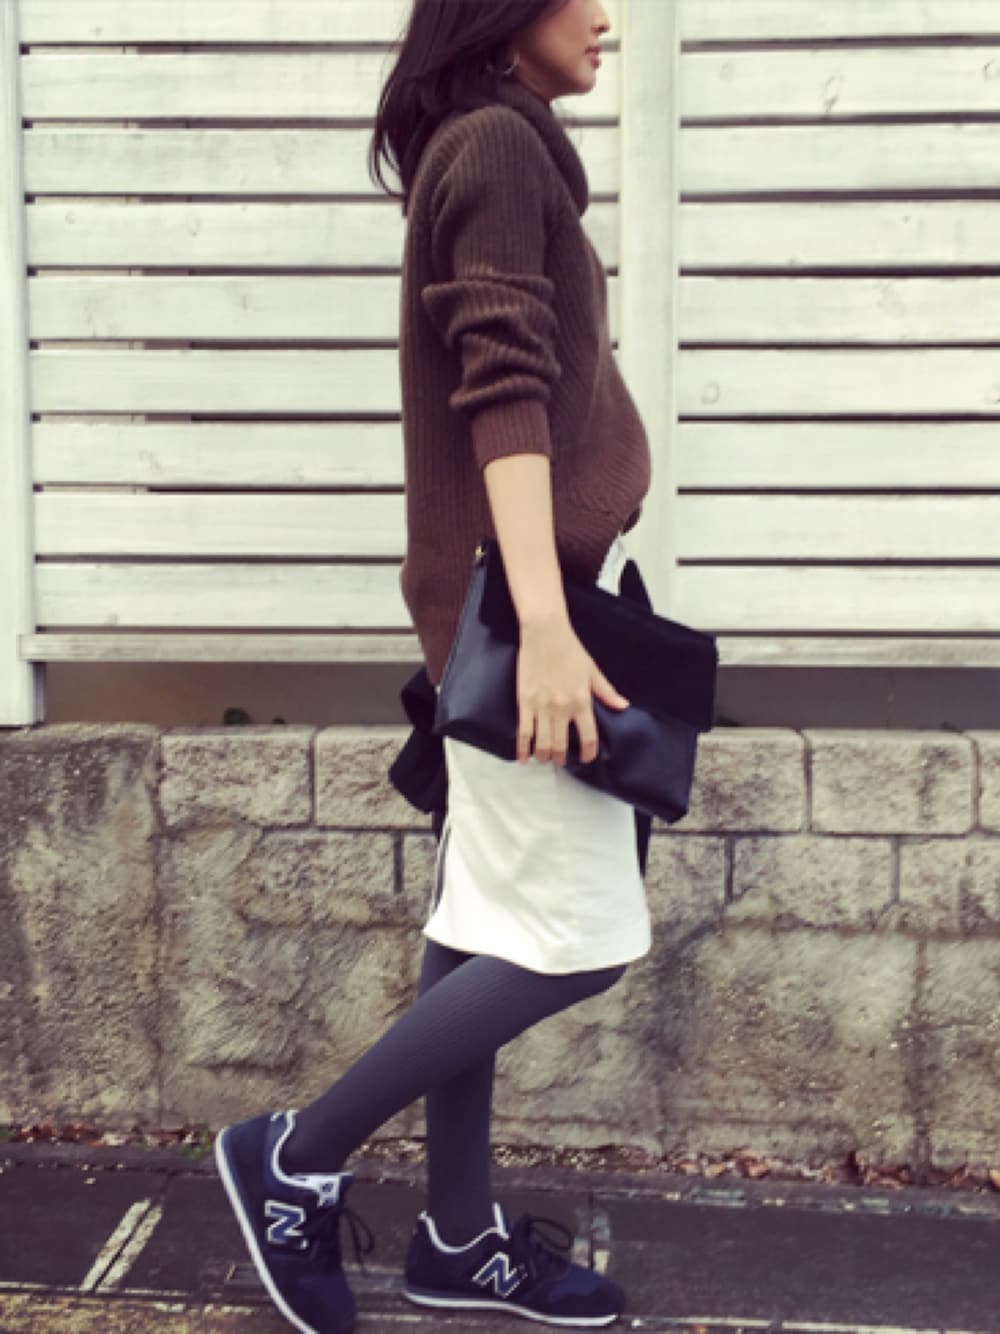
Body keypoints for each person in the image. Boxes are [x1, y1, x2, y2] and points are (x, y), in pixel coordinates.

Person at [214, 2, 654, 1331]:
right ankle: (293, 1154)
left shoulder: (488, 144)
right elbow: (501, 388)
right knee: (580, 943)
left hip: (508, 606)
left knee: (485, 929)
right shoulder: (498, 149)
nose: (608, 17)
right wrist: (546, 627)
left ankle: (457, 1237)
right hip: (521, 619)